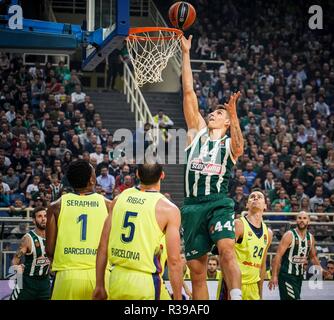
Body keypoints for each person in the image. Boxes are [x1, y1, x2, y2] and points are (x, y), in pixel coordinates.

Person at [180, 35, 244, 300]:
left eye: (219, 114)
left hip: (218, 202)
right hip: (193, 204)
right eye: (213, 112)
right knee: (197, 271)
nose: (212, 114)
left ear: (227, 122)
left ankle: (237, 297)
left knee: (227, 248)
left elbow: (240, 147)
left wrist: (234, 112)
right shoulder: (195, 133)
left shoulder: (230, 142)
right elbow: (188, 92)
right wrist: (185, 53)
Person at [93, 163, 183, 300]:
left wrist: (99, 285)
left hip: (117, 278)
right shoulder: (168, 209)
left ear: (137, 175)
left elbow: (103, 245)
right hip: (146, 281)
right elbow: (175, 261)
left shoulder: (119, 199)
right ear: (162, 175)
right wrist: (178, 298)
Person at [46, 159, 110, 300]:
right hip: (100, 276)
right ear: (92, 180)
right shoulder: (108, 205)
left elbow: (49, 250)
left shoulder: (55, 206)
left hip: (67, 276)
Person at [216, 190, 273, 300]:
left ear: (265, 205)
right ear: (247, 204)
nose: (255, 198)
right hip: (235, 285)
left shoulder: (268, 233)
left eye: (259, 197)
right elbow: (224, 257)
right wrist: (230, 289)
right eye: (252, 196)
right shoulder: (239, 224)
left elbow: (262, 266)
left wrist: (260, 294)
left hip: (253, 287)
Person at [269, 211, 328, 300]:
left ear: (308, 221)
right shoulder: (289, 235)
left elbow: (313, 256)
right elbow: (277, 256)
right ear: (296, 220)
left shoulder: (310, 237)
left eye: (304, 218)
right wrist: (274, 276)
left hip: (299, 276)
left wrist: (320, 268)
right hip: (287, 275)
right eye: (299, 218)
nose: (302, 220)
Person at [10, 207, 51, 300]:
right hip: (28, 282)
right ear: (34, 220)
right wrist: (17, 271)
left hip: (45, 283)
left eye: (45, 216)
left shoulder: (53, 237)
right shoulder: (27, 239)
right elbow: (15, 261)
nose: (43, 218)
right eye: (39, 216)